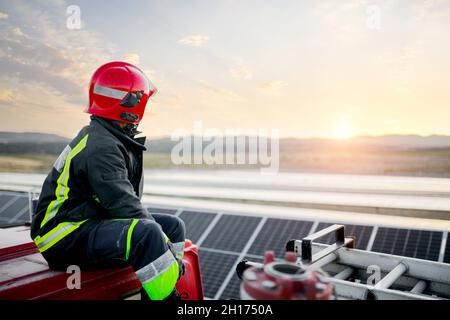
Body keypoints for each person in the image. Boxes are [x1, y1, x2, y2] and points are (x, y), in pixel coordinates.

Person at [30, 61, 186, 300]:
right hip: (62, 236)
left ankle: (164, 286)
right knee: (148, 233)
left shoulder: (107, 135)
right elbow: (123, 204)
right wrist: (165, 247)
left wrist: (167, 247)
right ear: (131, 103)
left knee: (173, 225)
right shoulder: (101, 145)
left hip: (84, 221)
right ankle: (167, 299)